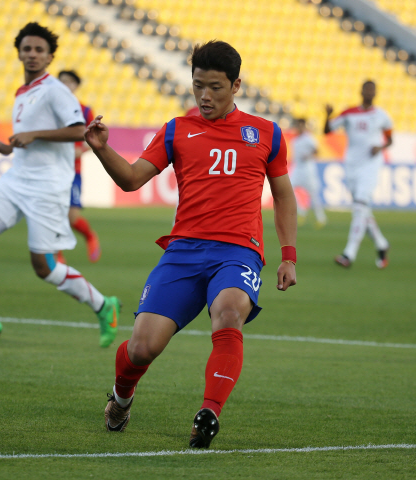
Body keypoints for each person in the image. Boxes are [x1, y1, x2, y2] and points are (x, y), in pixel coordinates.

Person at [85, 40, 297, 448]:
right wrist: (101, 149)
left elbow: (284, 194)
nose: (204, 95)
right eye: (198, 85)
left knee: (230, 312)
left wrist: (288, 257)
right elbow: (131, 180)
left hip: (239, 250)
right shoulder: (176, 130)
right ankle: (121, 398)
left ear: (236, 85)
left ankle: (209, 413)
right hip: (183, 252)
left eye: (215, 87)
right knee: (143, 347)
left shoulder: (266, 133)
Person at [0, 22, 120, 348]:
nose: (32, 54)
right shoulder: (23, 92)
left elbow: (78, 130)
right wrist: (10, 146)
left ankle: (103, 305)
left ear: (50, 56)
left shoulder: (56, 90)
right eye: (27, 49)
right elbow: (33, 135)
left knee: (44, 267)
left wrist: (33, 135)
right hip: (17, 179)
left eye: (39, 50)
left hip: (47, 187)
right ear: (19, 53)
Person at [324, 80, 392, 269]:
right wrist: (327, 116)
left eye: (372, 89)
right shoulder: (349, 113)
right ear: (361, 91)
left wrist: (381, 146)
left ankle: (349, 254)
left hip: (371, 166)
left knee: (360, 205)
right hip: (352, 166)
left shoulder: (381, 115)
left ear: (376, 93)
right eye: (366, 89)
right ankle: (382, 244)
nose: (369, 92)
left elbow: (390, 139)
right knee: (362, 210)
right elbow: (327, 130)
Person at [57, 69, 101, 263]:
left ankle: (90, 236)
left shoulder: (84, 110)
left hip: (72, 171)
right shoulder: (51, 108)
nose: (65, 85)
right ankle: (56, 253)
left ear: (75, 86)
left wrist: (80, 150)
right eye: (62, 82)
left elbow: (94, 139)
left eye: (69, 82)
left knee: (72, 216)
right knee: (54, 213)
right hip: (51, 170)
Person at [291, 118, 327, 228]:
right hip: (298, 168)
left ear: (304, 126)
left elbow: (317, 151)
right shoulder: (296, 140)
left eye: (301, 125)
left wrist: (308, 156)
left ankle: (321, 218)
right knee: (288, 189)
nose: (299, 127)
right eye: (298, 125)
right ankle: (301, 210)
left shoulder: (309, 138)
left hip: (308, 169)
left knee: (314, 195)